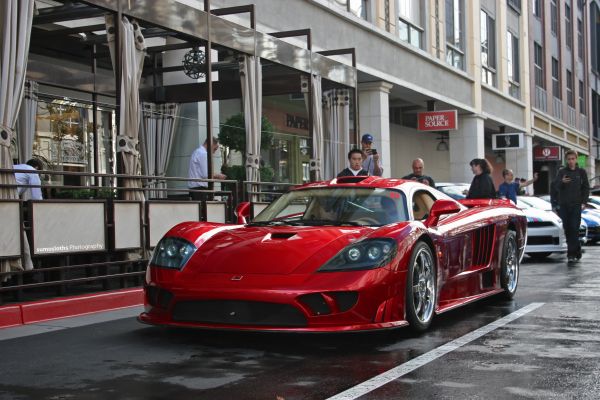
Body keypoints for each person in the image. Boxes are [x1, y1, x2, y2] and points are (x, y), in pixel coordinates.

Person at [550, 149, 589, 262]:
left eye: (573, 159)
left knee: (574, 228)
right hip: (564, 205)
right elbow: (555, 187)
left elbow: (586, 188)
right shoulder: (562, 172)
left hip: (576, 205)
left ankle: (571, 254)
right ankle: (577, 249)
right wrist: (561, 181)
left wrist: (584, 202)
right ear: (566, 160)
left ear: (576, 159)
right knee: (567, 229)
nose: (571, 161)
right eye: (569, 159)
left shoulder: (581, 172)